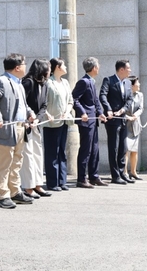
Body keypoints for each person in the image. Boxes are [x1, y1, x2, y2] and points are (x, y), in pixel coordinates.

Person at [0, 53, 37, 209]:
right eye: (24, 64)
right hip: (5, 130)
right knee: (3, 164)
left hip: (20, 128)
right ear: (17, 67)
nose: (26, 67)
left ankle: (15, 192)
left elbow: (22, 105)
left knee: (16, 162)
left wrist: (30, 113)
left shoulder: (19, 83)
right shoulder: (2, 81)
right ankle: (3, 195)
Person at [72, 57, 108, 188]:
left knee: (95, 149)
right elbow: (74, 99)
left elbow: (95, 101)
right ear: (94, 68)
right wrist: (82, 113)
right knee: (86, 150)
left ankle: (94, 176)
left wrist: (101, 113)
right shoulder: (84, 82)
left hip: (93, 120)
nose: (99, 68)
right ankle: (81, 179)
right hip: (86, 121)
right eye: (98, 66)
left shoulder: (91, 82)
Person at [20, 59, 53, 199]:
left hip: (36, 124)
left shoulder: (44, 84)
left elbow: (44, 106)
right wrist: (29, 119)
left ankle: (38, 185)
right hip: (25, 125)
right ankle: (28, 187)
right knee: (27, 157)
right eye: (49, 68)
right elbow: (21, 103)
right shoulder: (28, 82)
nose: (50, 70)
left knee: (38, 155)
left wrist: (38, 119)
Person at [100, 60, 134, 185]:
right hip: (112, 121)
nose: (130, 70)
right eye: (128, 68)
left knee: (123, 148)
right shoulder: (108, 81)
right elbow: (102, 96)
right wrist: (109, 109)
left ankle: (121, 173)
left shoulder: (128, 83)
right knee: (113, 148)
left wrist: (123, 110)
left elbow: (130, 99)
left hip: (123, 119)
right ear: (121, 69)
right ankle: (115, 175)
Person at [43, 57, 74, 191]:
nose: (66, 67)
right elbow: (42, 102)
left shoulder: (66, 83)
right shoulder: (48, 83)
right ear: (57, 67)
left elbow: (70, 101)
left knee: (62, 151)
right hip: (51, 123)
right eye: (64, 65)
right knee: (52, 152)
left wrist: (67, 112)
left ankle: (62, 180)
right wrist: (46, 114)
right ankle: (52, 182)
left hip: (64, 121)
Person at [124, 76, 144, 181]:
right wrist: (127, 117)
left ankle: (133, 171)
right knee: (126, 149)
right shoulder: (125, 94)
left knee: (134, 150)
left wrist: (134, 116)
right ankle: (124, 172)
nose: (139, 85)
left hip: (136, 124)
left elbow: (141, 108)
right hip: (126, 124)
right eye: (137, 83)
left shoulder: (140, 95)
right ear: (132, 85)